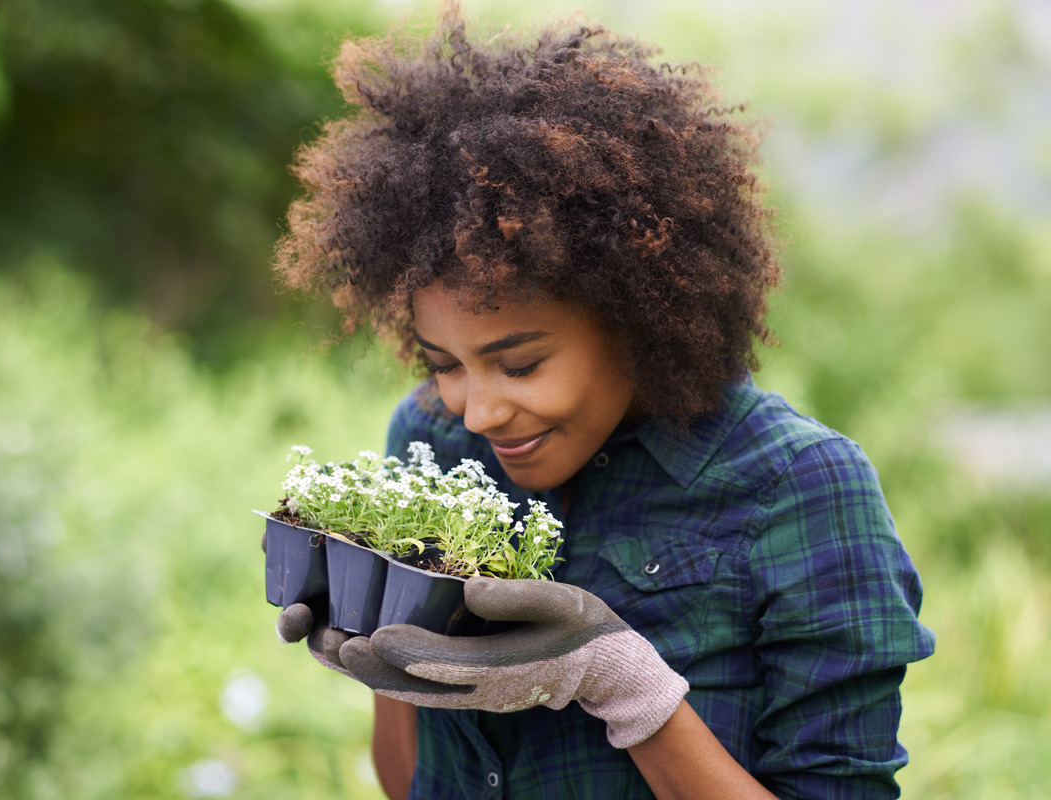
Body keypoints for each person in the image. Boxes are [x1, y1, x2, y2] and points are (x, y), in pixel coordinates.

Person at [271, 4, 936, 798]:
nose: (478, 412)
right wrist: (383, 648)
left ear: (634, 317)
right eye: (446, 362)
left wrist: (625, 685)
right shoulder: (433, 440)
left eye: (519, 365)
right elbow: (411, 779)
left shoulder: (800, 489)